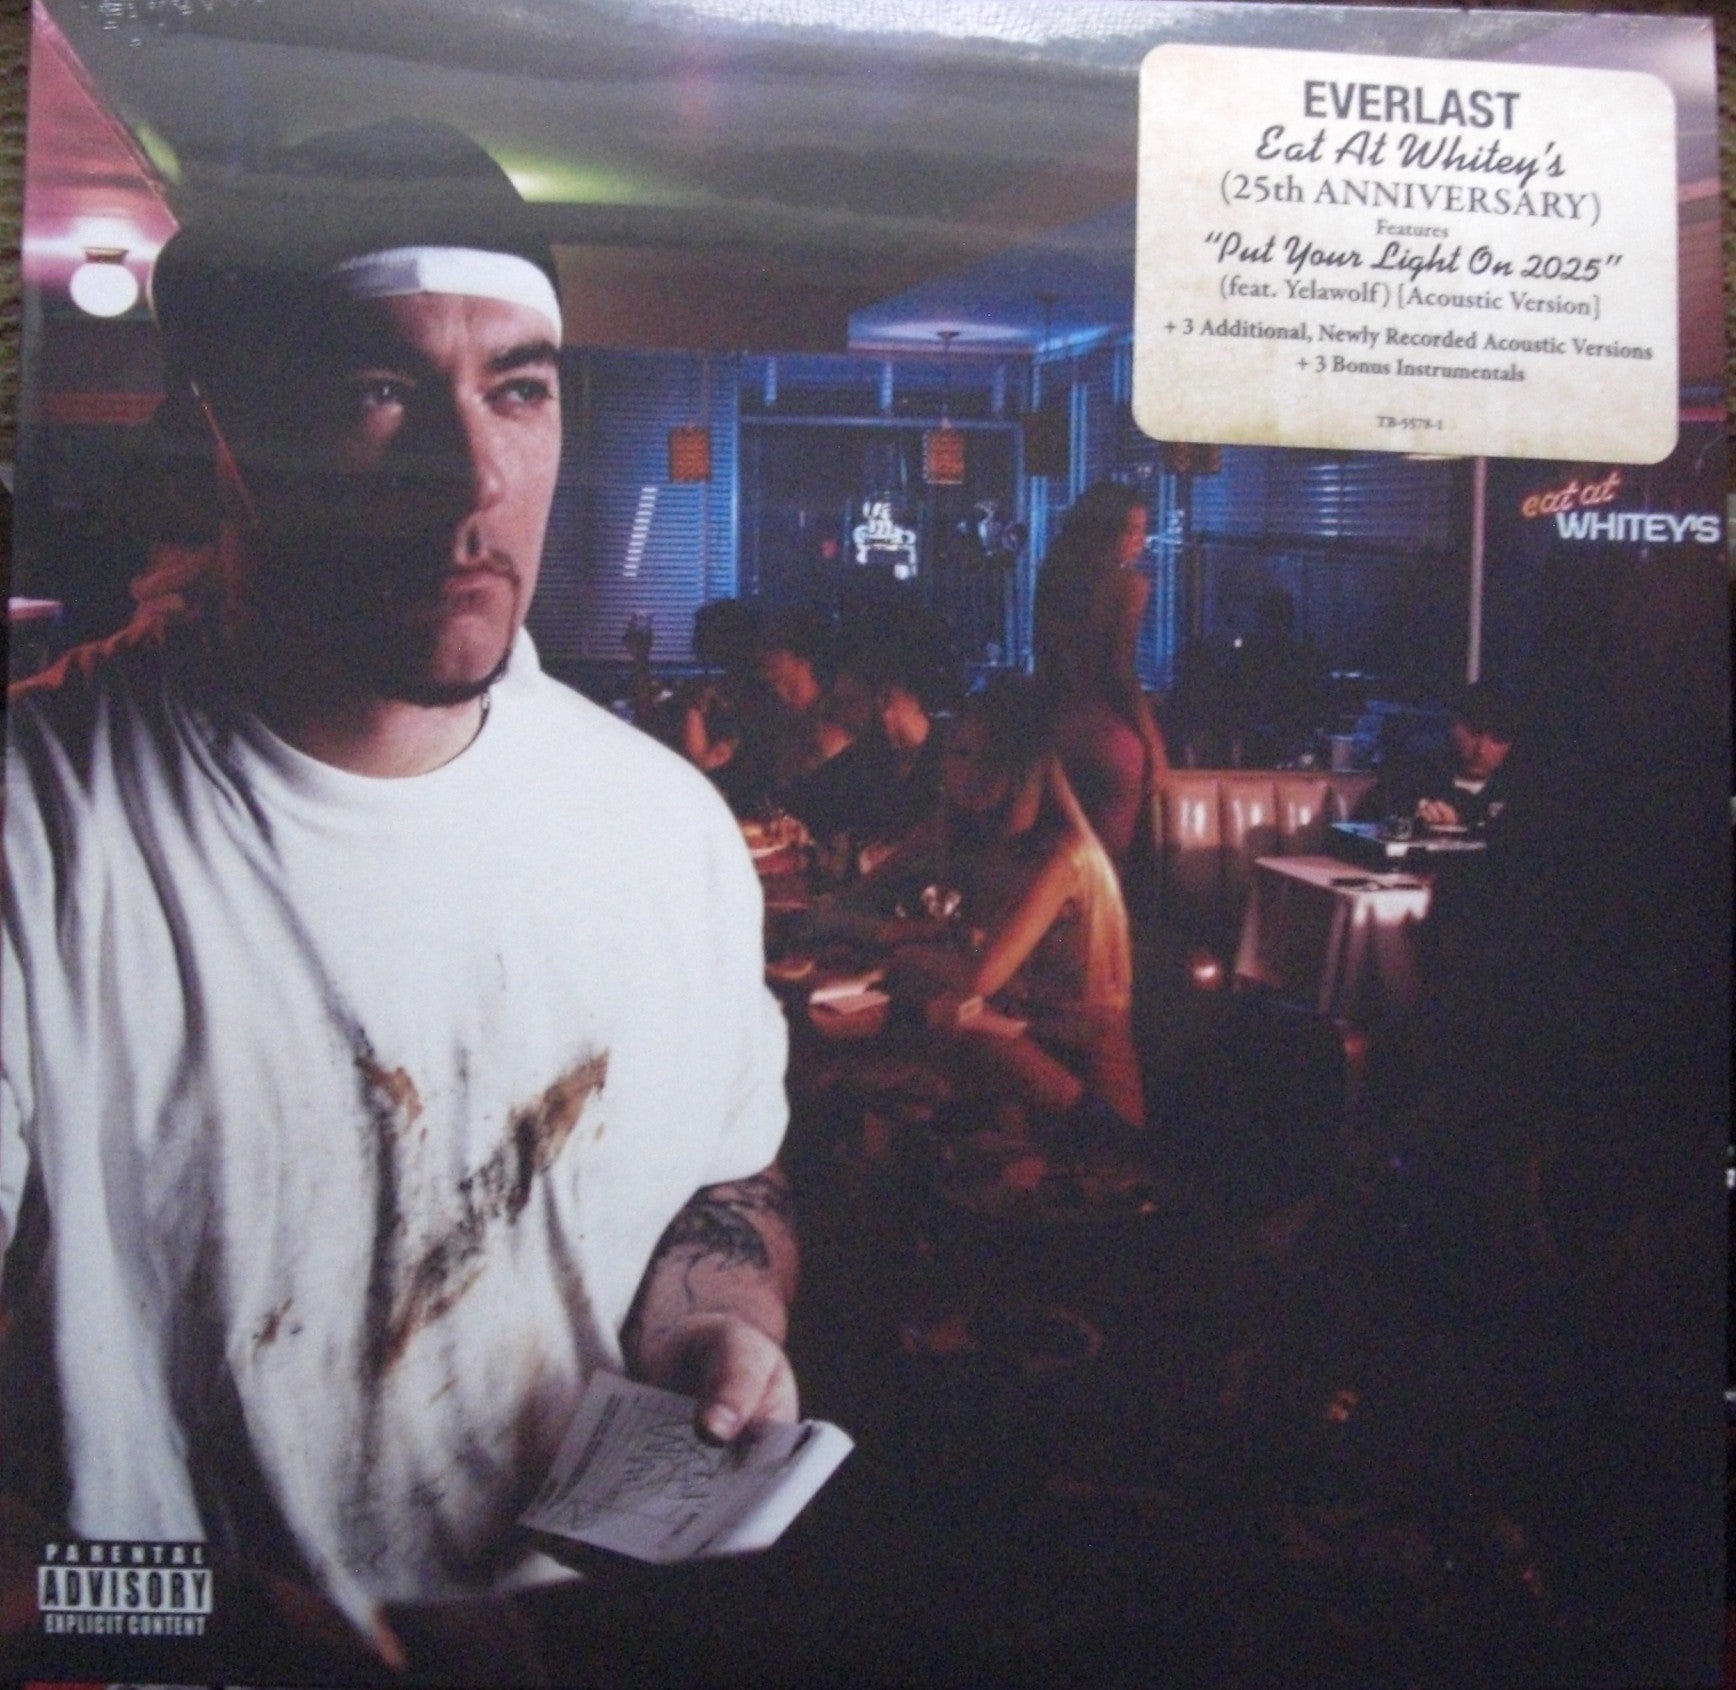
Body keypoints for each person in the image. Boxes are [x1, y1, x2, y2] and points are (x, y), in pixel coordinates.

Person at [0, 120, 795, 1665]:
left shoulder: (664, 829)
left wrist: (720, 1322)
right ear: (220, 437)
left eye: (520, 390)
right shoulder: (41, 825)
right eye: (379, 390)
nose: (473, 478)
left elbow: (729, 1181)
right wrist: (244, 1627)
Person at [858, 677, 1144, 1134]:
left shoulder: (1062, 856)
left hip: (1088, 1093)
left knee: (945, 1032)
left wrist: (903, 952)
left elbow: (980, 977)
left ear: (1024, 767)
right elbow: (866, 891)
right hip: (1022, 1050)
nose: (967, 772)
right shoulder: (977, 836)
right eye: (959, 753)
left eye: (989, 757)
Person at [1031, 481, 1170, 863]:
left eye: (1142, 530)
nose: (1140, 541)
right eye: (1132, 530)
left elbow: (1045, 660)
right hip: (1108, 740)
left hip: (1054, 732)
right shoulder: (1129, 585)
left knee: (1055, 860)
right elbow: (1120, 672)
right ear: (1105, 531)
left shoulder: (1052, 578)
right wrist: (1155, 746)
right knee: (1106, 867)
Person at [1357, 682, 1521, 832]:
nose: (1481, 750)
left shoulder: (1520, 793)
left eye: (1497, 740)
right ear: (1453, 727)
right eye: (1474, 733)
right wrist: (1414, 820)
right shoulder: (1411, 776)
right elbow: (1365, 825)